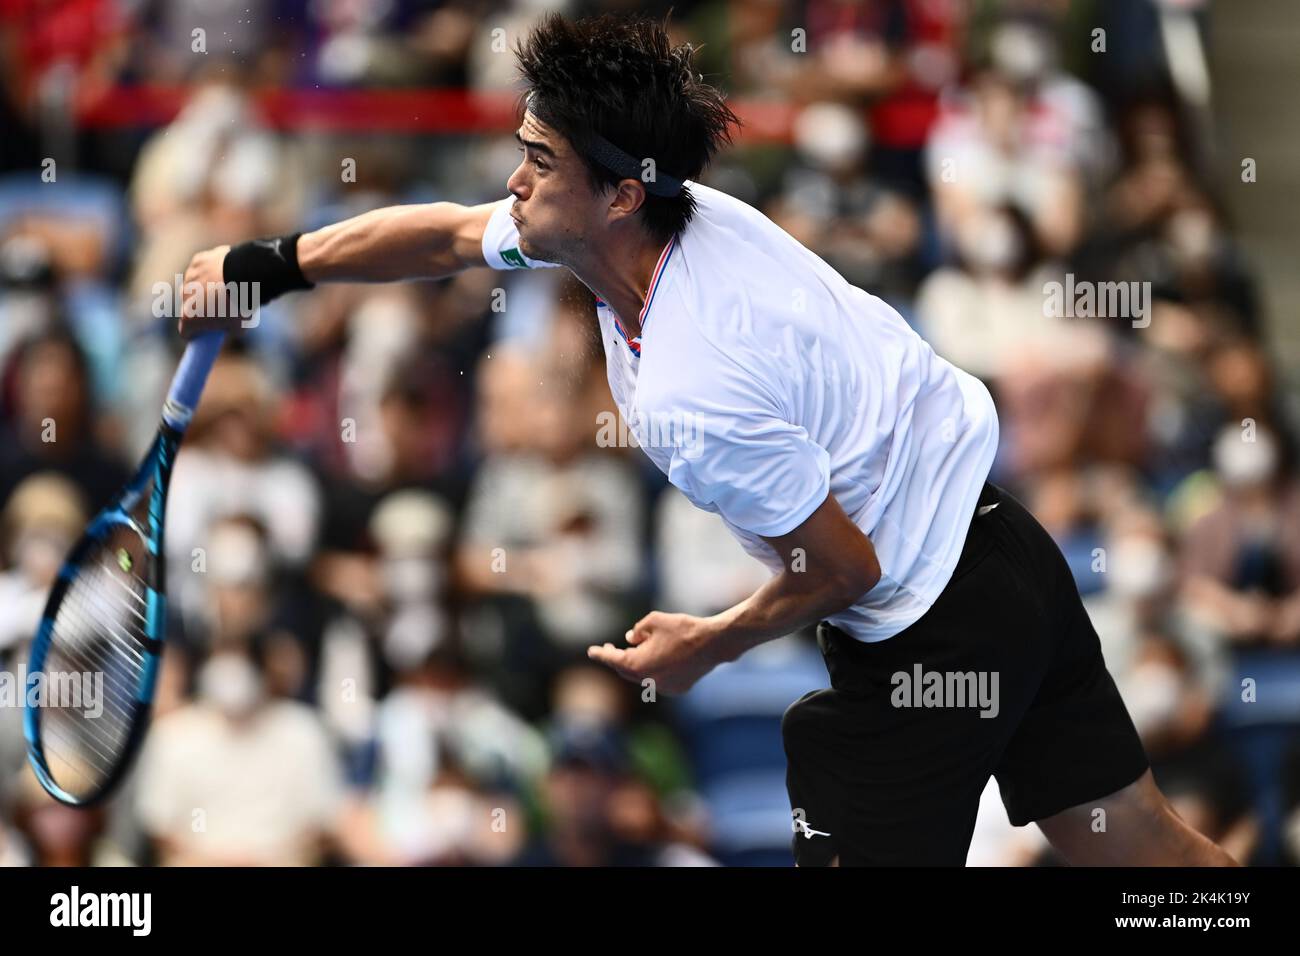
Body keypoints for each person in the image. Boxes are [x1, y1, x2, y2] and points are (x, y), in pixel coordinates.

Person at [176, 12, 1236, 867]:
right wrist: (269, 265)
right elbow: (446, 235)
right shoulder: (665, 218)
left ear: (619, 194)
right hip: (1011, 554)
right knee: (1145, 854)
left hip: (930, 628)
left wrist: (711, 639)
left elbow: (840, 565)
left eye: (537, 160)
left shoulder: (690, 386)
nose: (514, 180)